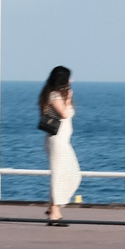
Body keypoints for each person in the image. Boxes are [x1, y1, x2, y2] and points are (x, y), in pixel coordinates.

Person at [40, 65, 80, 225]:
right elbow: (63, 113)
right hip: (57, 142)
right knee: (59, 176)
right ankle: (54, 214)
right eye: (69, 77)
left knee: (72, 174)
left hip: (62, 141)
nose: (71, 80)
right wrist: (69, 98)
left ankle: (53, 208)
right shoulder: (54, 95)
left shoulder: (56, 94)